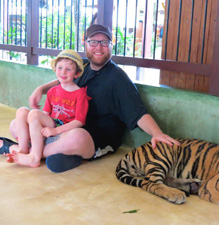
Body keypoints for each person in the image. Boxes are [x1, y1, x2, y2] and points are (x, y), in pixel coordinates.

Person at [0, 24, 180, 172]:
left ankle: (22, 151)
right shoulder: (82, 66)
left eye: (104, 42)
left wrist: (157, 133)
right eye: (93, 42)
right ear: (85, 44)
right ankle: (58, 154)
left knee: (76, 137)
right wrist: (42, 88)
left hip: (93, 135)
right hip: (64, 126)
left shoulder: (118, 78)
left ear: (111, 45)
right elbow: (62, 79)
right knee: (16, 125)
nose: (98, 47)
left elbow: (138, 113)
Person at [5, 49, 90, 168]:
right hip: (51, 123)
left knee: (34, 114)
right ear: (55, 70)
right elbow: (45, 114)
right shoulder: (52, 91)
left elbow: (79, 121)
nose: (63, 72)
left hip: (63, 129)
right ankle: (23, 149)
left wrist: (55, 131)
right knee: (22, 111)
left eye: (68, 69)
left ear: (76, 74)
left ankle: (34, 157)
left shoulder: (80, 93)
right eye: (60, 68)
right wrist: (37, 126)